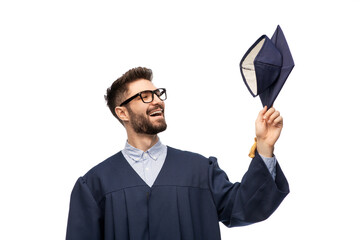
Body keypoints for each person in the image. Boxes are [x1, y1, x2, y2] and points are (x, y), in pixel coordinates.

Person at [66, 67, 289, 240]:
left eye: (157, 93)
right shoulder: (95, 185)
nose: (156, 100)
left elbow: (245, 208)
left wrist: (264, 146)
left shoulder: (200, 170)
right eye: (144, 96)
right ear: (122, 112)